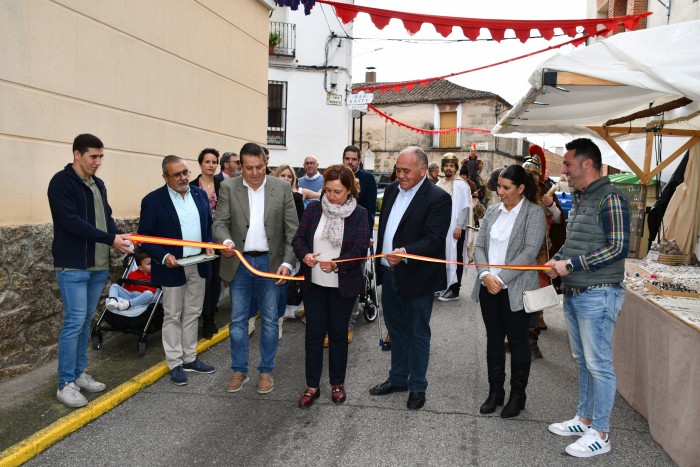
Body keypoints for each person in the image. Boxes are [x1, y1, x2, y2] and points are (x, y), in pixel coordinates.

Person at [545, 138, 630, 458]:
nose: (563, 169)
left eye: (567, 164)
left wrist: (572, 264)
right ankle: (584, 419)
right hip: (576, 292)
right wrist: (557, 260)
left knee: (599, 365)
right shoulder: (582, 199)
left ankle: (602, 433)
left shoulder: (611, 198)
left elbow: (618, 247)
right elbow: (575, 243)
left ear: (586, 165)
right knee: (583, 362)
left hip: (599, 294)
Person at [48, 133, 133, 408]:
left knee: (85, 322)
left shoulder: (98, 184)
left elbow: (105, 220)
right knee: (73, 323)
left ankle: (78, 374)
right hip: (72, 265)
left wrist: (121, 239)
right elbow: (70, 222)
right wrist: (111, 239)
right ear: (77, 154)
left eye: (101, 157)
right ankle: (65, 384)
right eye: (93, 157)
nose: (98, 162)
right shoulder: (60, 183)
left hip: (97, 265)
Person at [369, 146, 451, 411]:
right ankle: (397, 379)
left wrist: (405, 253)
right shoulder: (392, 190)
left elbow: (435, 239)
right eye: (398, 169)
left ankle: (417, 386)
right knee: (396, 330)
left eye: (406, 170)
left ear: (423, 170)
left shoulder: (438, 198)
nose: (400, 175)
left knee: (417, 332)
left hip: (418, 277)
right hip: (390, 273)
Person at [213, 142, 299, 395]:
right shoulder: (228, 187)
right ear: (241, 166)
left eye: (259, 167)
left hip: (270, 264)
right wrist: (225, 242)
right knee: (239, 321)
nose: (254, 173)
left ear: (266, 163)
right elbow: (220, 223)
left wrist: (287, 262)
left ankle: (266, 371)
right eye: (248, 168)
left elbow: (292, 231)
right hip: (239, 262)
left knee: (271, 321)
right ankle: (239, 370)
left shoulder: (282, 188)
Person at [470, 164, 546, 418]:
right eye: (499, 187)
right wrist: (485, 275)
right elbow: (479, 246)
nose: (500, 191)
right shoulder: (492, 212)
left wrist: (499, 279)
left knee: (518, 341)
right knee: (493, 339)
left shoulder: (533, 214)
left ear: (521, 188)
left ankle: (517, 395)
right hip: (488, 286)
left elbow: (529, 252)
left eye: (506, 187)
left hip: (516, 288)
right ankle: (495, 392)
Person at [292, 164, 370, 408]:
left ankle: (337, 383)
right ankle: (312, 386)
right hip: (314, 283)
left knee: (337, 335)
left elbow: (360, 250)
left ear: (349, 190)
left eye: (337, 191)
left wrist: (336, 265)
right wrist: (305, 255)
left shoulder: (360, 214)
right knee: (314, 335)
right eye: (328, 190)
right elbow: (299, 239)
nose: (332, 196)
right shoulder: (314, 209)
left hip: (343, 285)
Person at [138, 155, 216, 386]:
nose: (183, 178)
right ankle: (175, 362)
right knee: (173, 315)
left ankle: (190, 357)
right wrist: (163, 256)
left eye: (185, 173)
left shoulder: (199, 194)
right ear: (165, 177)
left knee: (193, 312)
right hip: (172, 267)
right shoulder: (153, 200)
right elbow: (144, 237)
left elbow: (207, 227)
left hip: (198, 263)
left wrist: (210, 244)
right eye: (177, 174)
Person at [341, 145, 377, 344]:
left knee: (354, 280)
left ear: (359, 160)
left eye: (354, 159)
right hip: (336, 238)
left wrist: (367, 236)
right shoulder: (336, 175)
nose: (350, 162)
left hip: (358, 236)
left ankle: (349, 324)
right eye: (347, 158)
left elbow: (370, 210)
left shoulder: (368, 179)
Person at [190, 148, 222, 339]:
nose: (211, 165)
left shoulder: (223, 185)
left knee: (215, 279)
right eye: (207, 162)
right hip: (198, 238)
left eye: (214, 162)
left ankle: (210, 317)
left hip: (218, 238)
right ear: (200, 163)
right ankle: (200, 317)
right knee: (203, 279)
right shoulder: (193, 185)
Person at [436, 153, 471, 302]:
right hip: (441, 228)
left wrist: (459, 227)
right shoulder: (439, 183)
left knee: (455, 257)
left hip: (455, 229)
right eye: (446, 165)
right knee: (443, 256)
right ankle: (443, 286)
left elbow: (464, 208)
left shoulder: (461, 185)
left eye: (451, 166)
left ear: (456, 168)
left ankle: (454, 289)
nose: (448, 168)